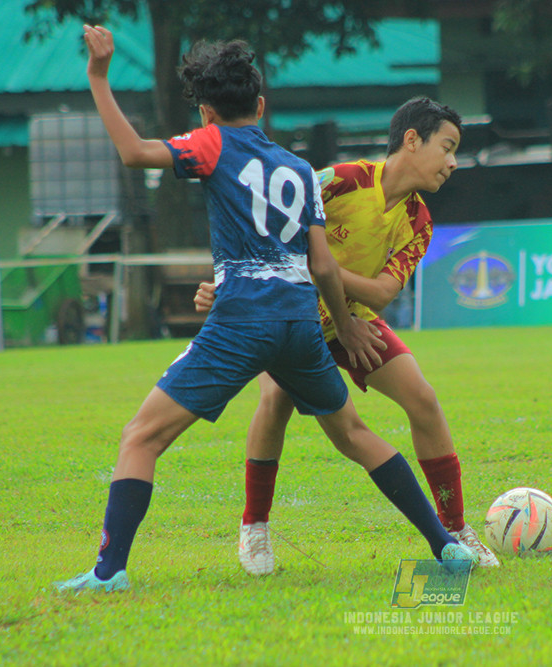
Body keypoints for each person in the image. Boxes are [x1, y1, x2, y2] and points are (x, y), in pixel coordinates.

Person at [55, 27, 476, 593]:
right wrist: (343, 323)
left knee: (141, 437)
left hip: (245, 320)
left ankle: (108, 573)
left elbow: (135, 153)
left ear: (206, 112)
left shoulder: (211, 142)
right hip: (302, 322)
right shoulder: (303, 170)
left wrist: (98, 77)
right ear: (260, 105)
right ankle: (444, 545)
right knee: (352, 431)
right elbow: (323, 267)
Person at [194, 97, 500, 575]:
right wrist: (236, 284)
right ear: (412, 140)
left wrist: (326, 273)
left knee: (422, 398)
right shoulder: (339, 180)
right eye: (448, 147)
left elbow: (380, 293)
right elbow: (266, 226)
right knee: (275, 401)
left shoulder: (419, 222)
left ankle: (457, 528)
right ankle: (254, 528)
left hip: (352, 322)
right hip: (290, 316)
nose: (453, 162)